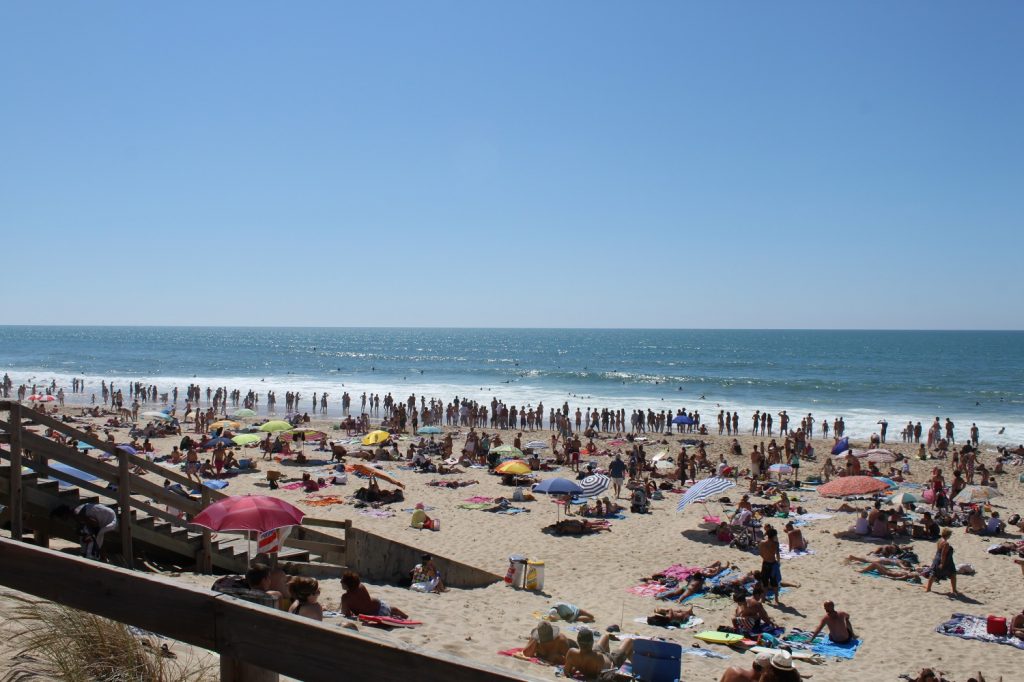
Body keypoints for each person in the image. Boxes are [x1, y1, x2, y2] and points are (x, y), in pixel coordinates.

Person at [52, 503, 118, 560]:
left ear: (64, 514)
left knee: (93, 537)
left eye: (60, 518)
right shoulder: (76, 511)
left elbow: (95, 523)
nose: (60, 520)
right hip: (109, 513)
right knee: (92, 537)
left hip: (109, 518)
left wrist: (88, 534)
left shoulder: (77, 514)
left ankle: (97, 557)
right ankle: (100, 556)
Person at [562, 628, 633, 681]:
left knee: (605, 636)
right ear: (592, 642)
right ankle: (639, 671)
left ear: (578, 641)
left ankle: (608, 638)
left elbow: (566, 672)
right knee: (629, 641)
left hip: (594, 652)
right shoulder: (598, 657)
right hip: (612, 660)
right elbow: (604, 676)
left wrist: (577, 666)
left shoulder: (571, 653)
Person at [340, 571, 408, 619]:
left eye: (342, 581)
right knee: (390, 609)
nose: (340, 581)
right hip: (381, 607)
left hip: (375, 617)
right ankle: (405, 616)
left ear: (347, 585)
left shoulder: (345, 598)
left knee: (389, 611)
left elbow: (346, 614)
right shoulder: (361, 587)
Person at [924, 528, 959, 596]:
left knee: (933, 573)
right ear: (948, 535)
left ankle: (928, 588)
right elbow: (943, 554)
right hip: (945, 561)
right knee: (953, 574)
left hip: (937, 559)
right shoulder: (946, 543)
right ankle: (954, 590)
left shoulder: (939, 540)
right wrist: (942, 563)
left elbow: (939, 551)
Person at [759, 525, 783, 605]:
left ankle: (762, 599)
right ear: (774, 536)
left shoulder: (762, 543)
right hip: (772, 564)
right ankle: (776, 599)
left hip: (765, 563)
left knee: (764, 582)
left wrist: (765, 557)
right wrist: (778, 562)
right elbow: (777, 555)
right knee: (774, 583)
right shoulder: (775, 544)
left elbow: (761, 553)